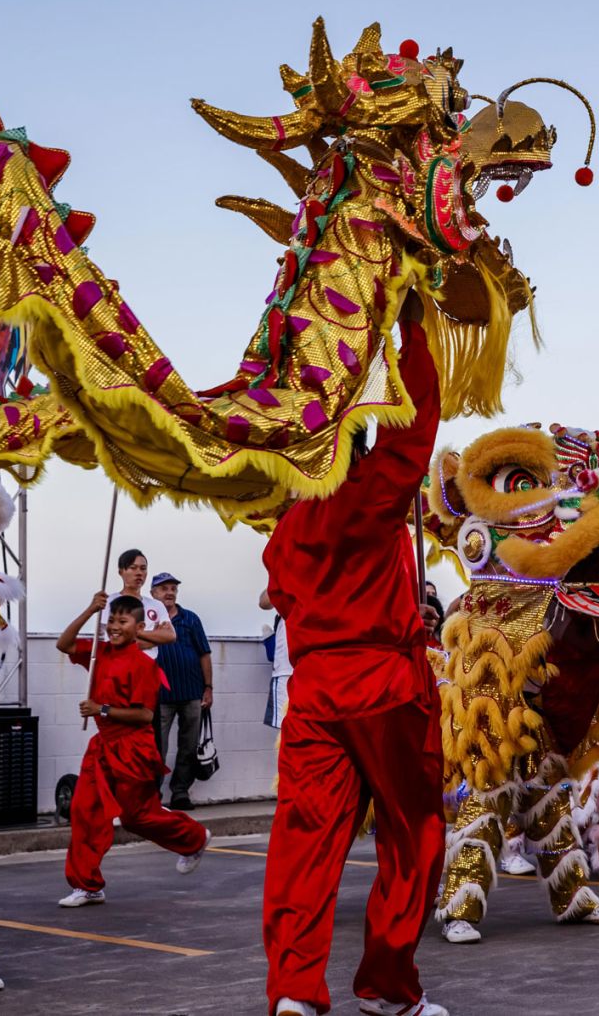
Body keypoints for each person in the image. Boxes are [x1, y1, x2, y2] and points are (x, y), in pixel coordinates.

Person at [259, 300, 449, 1016]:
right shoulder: (367, 494)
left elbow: (281, 592)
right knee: (413, 835)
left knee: (304, 844)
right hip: (384, 686)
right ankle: (386, 984)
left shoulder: (288, 530)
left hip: (313, 694)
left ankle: (294, 991)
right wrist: (416, 332)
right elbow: (420, 428)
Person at [55, 593, 209, 908]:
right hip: (101, 747)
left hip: (133, 748)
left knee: (136, 817)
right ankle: (88, 885)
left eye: (122, 621)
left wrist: (102, 708)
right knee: (84, 812)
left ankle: (194, 839)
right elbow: (64, 644)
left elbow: (144, 715)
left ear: (138, 627)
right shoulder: (99, 653)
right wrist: (90, 609)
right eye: (111, 620)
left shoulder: (143, 664)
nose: (114, 627)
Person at [151, 572, 213, 811]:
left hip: (191, 693)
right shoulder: (148, 618)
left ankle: (180, 793)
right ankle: (152, 794)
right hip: (160, 696)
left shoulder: (191, 619)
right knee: (158, 748)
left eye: (173, 588)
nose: (169, 592)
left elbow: (204, 654)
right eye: (164, 588)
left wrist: (208, 688)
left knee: (188, 746)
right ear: (153, 593)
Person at [104, 548, 175, 658]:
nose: (139, 573)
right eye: (133, 568)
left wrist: (134, 634)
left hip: (148, 667)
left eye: (143, 569)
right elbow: (114, 642)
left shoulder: (156, 605)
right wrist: (155, 638)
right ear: (121, 571)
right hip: (119, 665)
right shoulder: (109, 602)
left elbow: (170, 636)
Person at [259, 589, 291, 729]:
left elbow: (263, 602)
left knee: (287, 727)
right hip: (292, 667)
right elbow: (264, 602)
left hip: (289, 669)